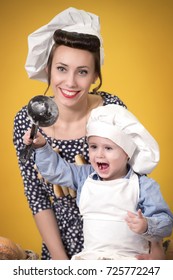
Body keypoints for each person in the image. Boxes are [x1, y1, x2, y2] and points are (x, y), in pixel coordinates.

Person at [13, 7, 165, 260]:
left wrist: (156, 247)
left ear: (95, 75)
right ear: (48, 68)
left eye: (82, 71)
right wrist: (62, 264)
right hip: (61, 248)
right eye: (62, 68)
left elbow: (137, 184)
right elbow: (36, 197)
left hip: (123, 247)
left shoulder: (111, 110)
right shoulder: (28, 120)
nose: (70, 82)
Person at [24, 104, 173, 260]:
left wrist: (147, 225)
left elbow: (166, 222)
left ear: (127, 153)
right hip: (90, 260)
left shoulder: (143, 186)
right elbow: (56, 171)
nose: (99, 155)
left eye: (108, 148)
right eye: (93, 147)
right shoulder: (84, 176)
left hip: (128, 260)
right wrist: (41, 146)